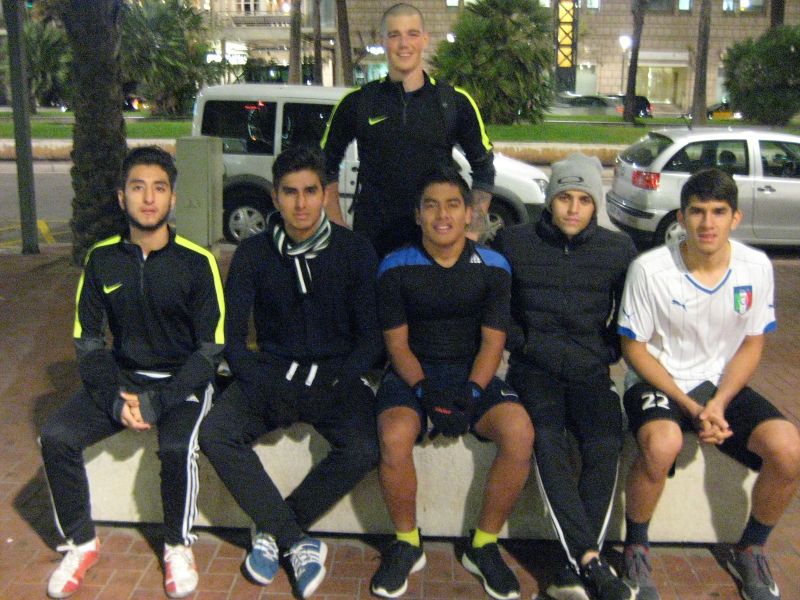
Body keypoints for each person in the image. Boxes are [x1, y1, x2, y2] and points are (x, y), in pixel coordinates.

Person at [40, 146, 225, 599]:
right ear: (122, 197)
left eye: (159, 188)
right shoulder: (101, 259)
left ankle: (177, 545)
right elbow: (88, 342)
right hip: (123, 379)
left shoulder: (197, 262)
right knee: (56, 436)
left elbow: (209, 350)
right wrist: (112, 400)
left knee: (177, 446)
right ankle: (81, 542)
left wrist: (159, 402)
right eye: (138, 188)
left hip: (181, 380)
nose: (149, 198)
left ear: (172, 198)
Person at [198, 146, 383, 599]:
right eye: (290, 192)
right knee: (216, 433)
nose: (301, 203)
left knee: (365, 447)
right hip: (272, 371)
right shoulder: (254, 253)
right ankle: (297, 541)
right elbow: (232, 337)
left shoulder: (355, 251)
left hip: (335, 374)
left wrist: (337, 381)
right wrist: (261, 382)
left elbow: (371, 339)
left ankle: (277, 528)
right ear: (275, 197)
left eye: (310, 191)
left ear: (325, 194)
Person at [618, 168, 800, 600]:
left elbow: (752, 343)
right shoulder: (649, 269)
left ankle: (751, 548)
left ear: (735, 217)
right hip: (659, 379)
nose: (707, 223)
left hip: (720, 385)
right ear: (681, 217)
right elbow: (634, 349)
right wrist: (691, 405)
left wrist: (718, 403)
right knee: (662, 443)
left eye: (718, 212)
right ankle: (636, 548)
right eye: (697, 212)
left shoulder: (755, 267)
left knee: (789, 449)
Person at [371, 166, 533, 600]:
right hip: (413, 375)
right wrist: (425, 393)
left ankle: (483, 545)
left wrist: (473, 393)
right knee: (393, 435)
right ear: (418, 215)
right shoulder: (394, 267)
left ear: (469, 214)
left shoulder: (494, 267)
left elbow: (493, 343)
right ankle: (407, 543)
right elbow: (397, 346)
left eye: (452, 205)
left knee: (520, 432)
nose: (442, 215)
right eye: (431, 206)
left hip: (472, 373)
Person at [496, 153, 638, 600]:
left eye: (584, 199)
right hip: (532, 369)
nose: (573, 208)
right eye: (564, 198)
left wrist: (607, 351)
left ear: (596, 204)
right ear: (550, 201)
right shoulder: (514, 242)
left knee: (605, 443)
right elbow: (499, 310)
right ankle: (590, 560)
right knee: (548, 440)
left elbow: (628, 316)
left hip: (590, 370)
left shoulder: (618, 250)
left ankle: (572, 566)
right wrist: (524, 344)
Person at [320, 2, 495, 257]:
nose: (404, 44)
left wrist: (470, 233)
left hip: (437, 247)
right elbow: (324, 165)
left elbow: (484, 170)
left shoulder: (453, 102)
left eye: (412, 34)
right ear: (382, 41)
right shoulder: (358, 102)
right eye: (394, 35)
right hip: (374, 246)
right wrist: (338, 227)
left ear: (425, 39)